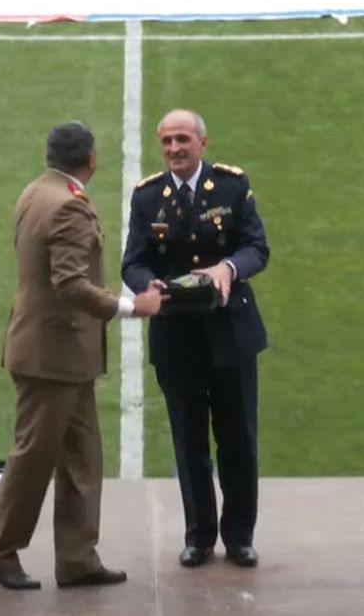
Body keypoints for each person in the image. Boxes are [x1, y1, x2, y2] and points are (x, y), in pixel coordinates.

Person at [0, 121, 165, 591]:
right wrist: (131, 306)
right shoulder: (68, 208)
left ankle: (78, 558)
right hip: (53, 359)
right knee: (34, 456)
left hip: (53, 355)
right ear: (91, 160)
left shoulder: (36, 192)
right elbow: (70, 284)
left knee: (83, 455)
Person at [121, 109, 270, 569]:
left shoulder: (230, 186)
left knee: (238, 440)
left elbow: (256, 248)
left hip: (230, 336)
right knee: (189, 442)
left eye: (182, 139)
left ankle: (240, 536)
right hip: (177, 337)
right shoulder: (148, 196)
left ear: (203, 144)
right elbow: (133, 261)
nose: (174, 149)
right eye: (166, 141)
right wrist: (150, 285)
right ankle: (199, 536)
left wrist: (228, 268)